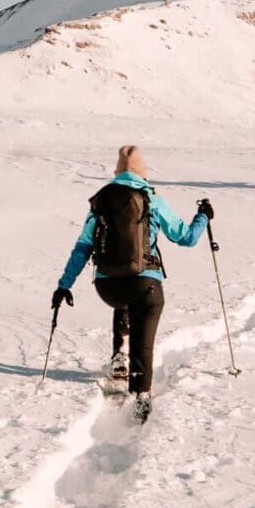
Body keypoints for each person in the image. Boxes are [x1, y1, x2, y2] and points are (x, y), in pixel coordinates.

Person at [50, 146, 210, 417]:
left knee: (123, 298)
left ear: (117, 172)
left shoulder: (101, 201)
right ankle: (142, 396)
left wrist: (64, 285)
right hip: (145, 284)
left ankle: (119, 355)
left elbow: (82, 248)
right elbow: (186, 238)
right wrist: (204, 216)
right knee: (144, 335)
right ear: (143, 172)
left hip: (107, 286)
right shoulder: (152, 200)